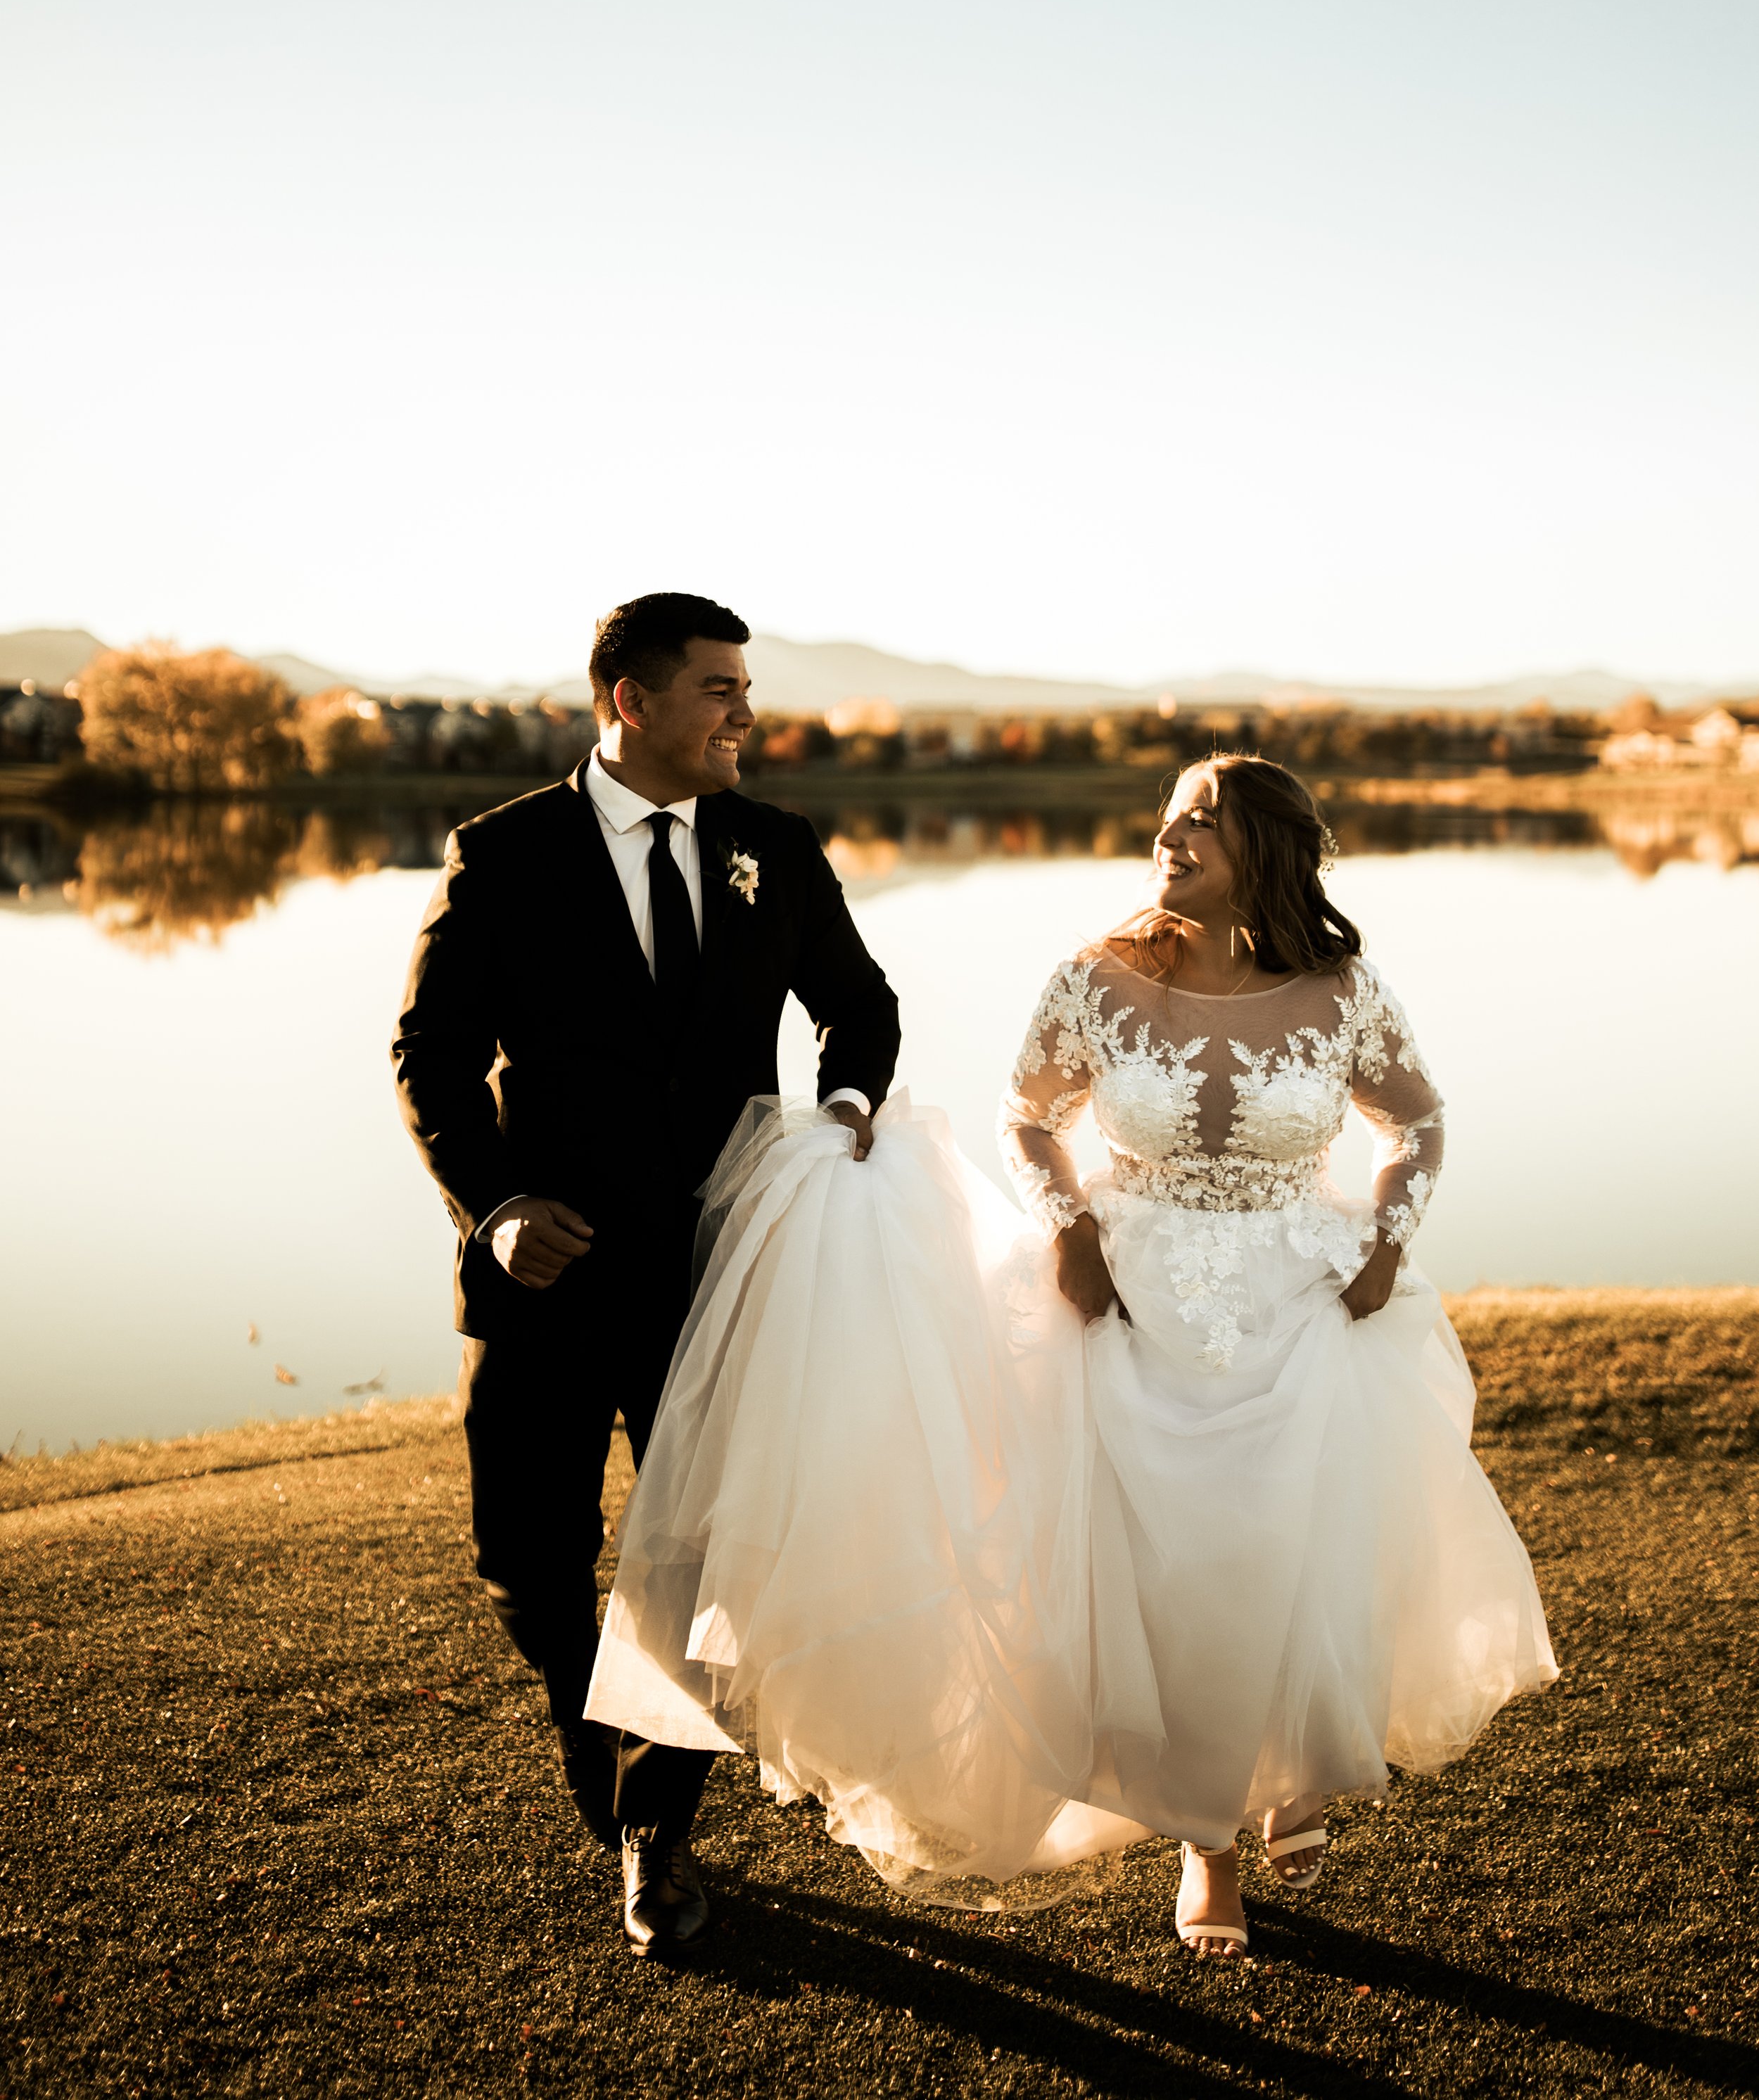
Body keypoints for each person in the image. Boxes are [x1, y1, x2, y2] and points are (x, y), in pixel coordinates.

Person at [587, 753, 1556, 1954]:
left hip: (1298, 1299)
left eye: (1206, 818)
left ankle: (1292, 1761)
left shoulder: (1343, 988)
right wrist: (1073, 1228)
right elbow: (1027, 1117)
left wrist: (1387, 1241)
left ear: (1268, 846)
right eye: (1171, 813)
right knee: (1164, 1581)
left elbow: (1416, 1119)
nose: (1173, 831)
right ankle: (1208, 1845)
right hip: (1127, 1304)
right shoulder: (1095, 981)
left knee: (1293, 1555)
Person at [390, 592, 900, 1954]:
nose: (746, 715)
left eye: (746, 690)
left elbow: (860, 1005)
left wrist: (842, 1117)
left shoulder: (774, 850)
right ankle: (601, 1753)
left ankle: (654, 1833)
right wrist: (493, 1204)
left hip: (720, 1281)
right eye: (720, 690)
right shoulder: (502, 855)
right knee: (526, 1564)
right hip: (542, 1277)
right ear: (630, 701)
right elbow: (427, 1056)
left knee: (695, 1564)